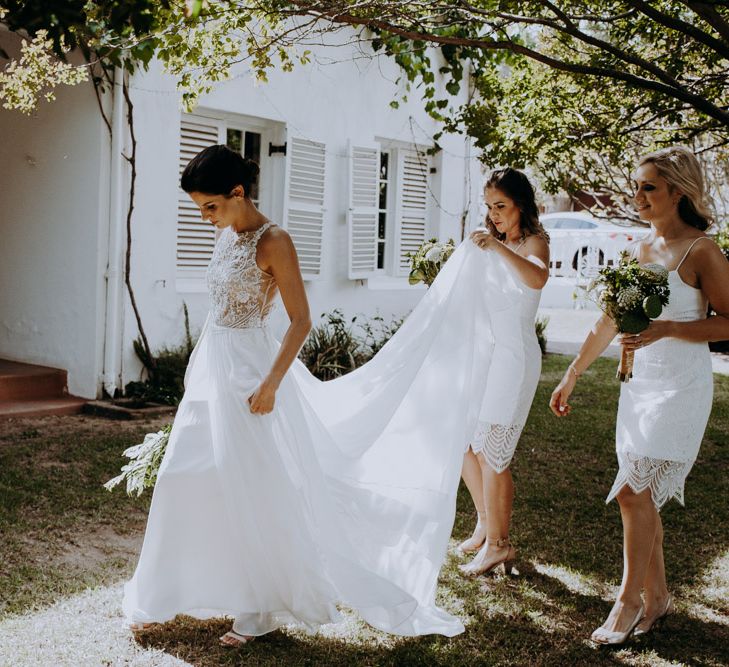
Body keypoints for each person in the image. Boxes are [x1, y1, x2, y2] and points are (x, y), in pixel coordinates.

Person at [549, 146, 729, 645]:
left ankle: (628, 601)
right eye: (637, 186)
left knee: (632, 492)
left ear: (678, 191)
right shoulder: (637, 249)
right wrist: (573, 373)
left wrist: (668, 326)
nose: (638, 195)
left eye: (648, 186)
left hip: (681, 385)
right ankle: (659, 599)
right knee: (641, 494)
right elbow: (608, 319)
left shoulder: (702, 251)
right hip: (639, 384)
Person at [457, 169, 549, 577]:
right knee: (466, 442)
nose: (493, 215)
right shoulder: (493, 243)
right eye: (489, 207)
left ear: (520, 205)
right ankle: (485, 522)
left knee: (494, 453)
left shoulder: (534, 243)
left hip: (516, 358)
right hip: (488, 355)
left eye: (501, 206)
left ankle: (499, 545)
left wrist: (496, 249)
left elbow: (537, 276)